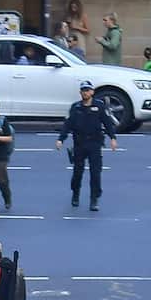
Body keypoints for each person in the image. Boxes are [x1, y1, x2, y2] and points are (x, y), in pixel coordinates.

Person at [55, 80, 116, 213]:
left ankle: (94, 199)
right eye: (83, 90)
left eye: (88, 90)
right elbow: (68, 124)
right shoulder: (76, 107)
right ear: (80, 92)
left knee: (95, 173)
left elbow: (107, 123)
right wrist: (61, 139)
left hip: (95, 143)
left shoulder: (99, 106)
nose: (85, 92)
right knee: (77, 172)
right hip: (79, 143)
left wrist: (113, 138)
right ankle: (75, 194)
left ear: (92, 92)